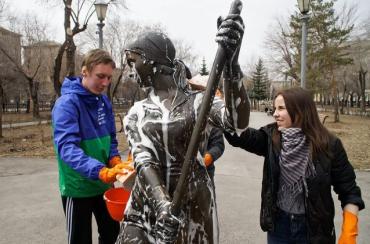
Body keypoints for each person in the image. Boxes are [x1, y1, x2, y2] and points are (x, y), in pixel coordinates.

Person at [116, 14, 249, 244]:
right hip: (149, 201)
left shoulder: (199, 102)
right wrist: (163, 205)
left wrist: (231, 65)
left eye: (133, 61)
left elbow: (237, 123)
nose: (130, 70)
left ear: (151, 61)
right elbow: (143, 161)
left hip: (193, 203)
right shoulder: (137, 112)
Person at [224, 87, 365, 244]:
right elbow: (239, 136)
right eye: (275, 108)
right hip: (279, 228)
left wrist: (349, 233)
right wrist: (223, 106)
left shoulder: (329, 145)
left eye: (281, 108)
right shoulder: (271, 137)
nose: (275, 113)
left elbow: (349, 191)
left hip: (314, 231)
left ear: (300, 110)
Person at [52, 49, 133, 244]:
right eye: (100, 76)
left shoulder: (103, 101)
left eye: (108, 78)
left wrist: (114, 160)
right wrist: (101, 171)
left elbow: (111, 138)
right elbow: (67, 148)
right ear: (85, 72)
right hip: (78, 187)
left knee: (112, 236)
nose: (105, 83)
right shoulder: (66, 104)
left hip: (104, 184)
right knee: (80, 239)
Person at [188, 74, 225, 185]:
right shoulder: (183, 114)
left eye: (201, 91)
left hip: (205, 173)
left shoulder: (212, 117)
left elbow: (218, 145)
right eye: (194, 90)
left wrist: (206, 159)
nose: (197, 94)